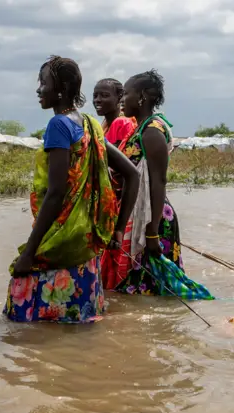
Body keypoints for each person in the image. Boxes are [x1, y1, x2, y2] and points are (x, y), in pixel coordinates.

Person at [3, 55, 139, 323]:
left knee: (21, 320)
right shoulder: (89, 125)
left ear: (61, 89)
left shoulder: (59, 125)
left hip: (59, 240)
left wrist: (29, 253)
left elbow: (55, 193)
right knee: (80, 327)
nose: (38, 89)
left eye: (43, 83)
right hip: (86, 244)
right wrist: (118, 229)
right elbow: (132, 174)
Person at [114, 69, 186, 296]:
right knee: (145, 289)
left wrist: (152, 232)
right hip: (145, 215)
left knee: (157, 291)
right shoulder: (141, 128)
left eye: (126, 93)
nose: (122, 99)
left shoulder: (152, 131)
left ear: (142, 96)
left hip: (153, 220)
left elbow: (158, 181)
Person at [93, 78, 139, 290]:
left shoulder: (121, 123)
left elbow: (120, 169)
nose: (98, 100)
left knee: (113, 261)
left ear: (119, 99)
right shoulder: (105, 125)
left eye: (104, 95)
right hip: (113, 200)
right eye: (96, 95)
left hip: (118, 201)